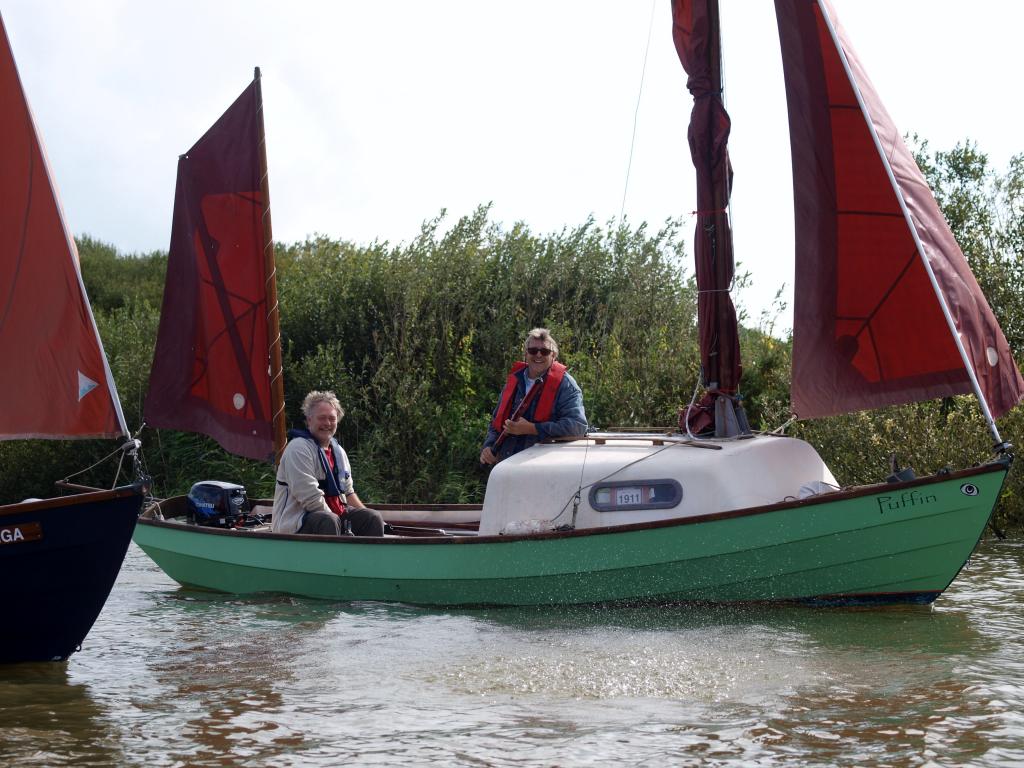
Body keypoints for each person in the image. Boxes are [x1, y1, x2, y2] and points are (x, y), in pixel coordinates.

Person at [271, 390, 385, 536]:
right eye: (322, 418)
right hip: (296, 522)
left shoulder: (339, 452)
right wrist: (341, 526)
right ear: (309, 420)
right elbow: (310, 498)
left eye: (332, 418)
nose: (327, 423)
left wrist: (368, 516)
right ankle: (336, 550)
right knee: (328, 520)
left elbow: (348, 493)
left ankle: (370, 551)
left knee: (372, 518)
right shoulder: (298, 449)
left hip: (333, 517)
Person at [480, 328, 588, 465]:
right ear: (526, 354)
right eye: (533, 350)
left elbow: (578, 427)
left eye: (545, 351)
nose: (538, 355)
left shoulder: (566, 385)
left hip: (542, 468)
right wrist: (488, 446)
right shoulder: (514, 381)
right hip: (506, 465)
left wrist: (532, 428)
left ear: (553, 355)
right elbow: (496, 422)